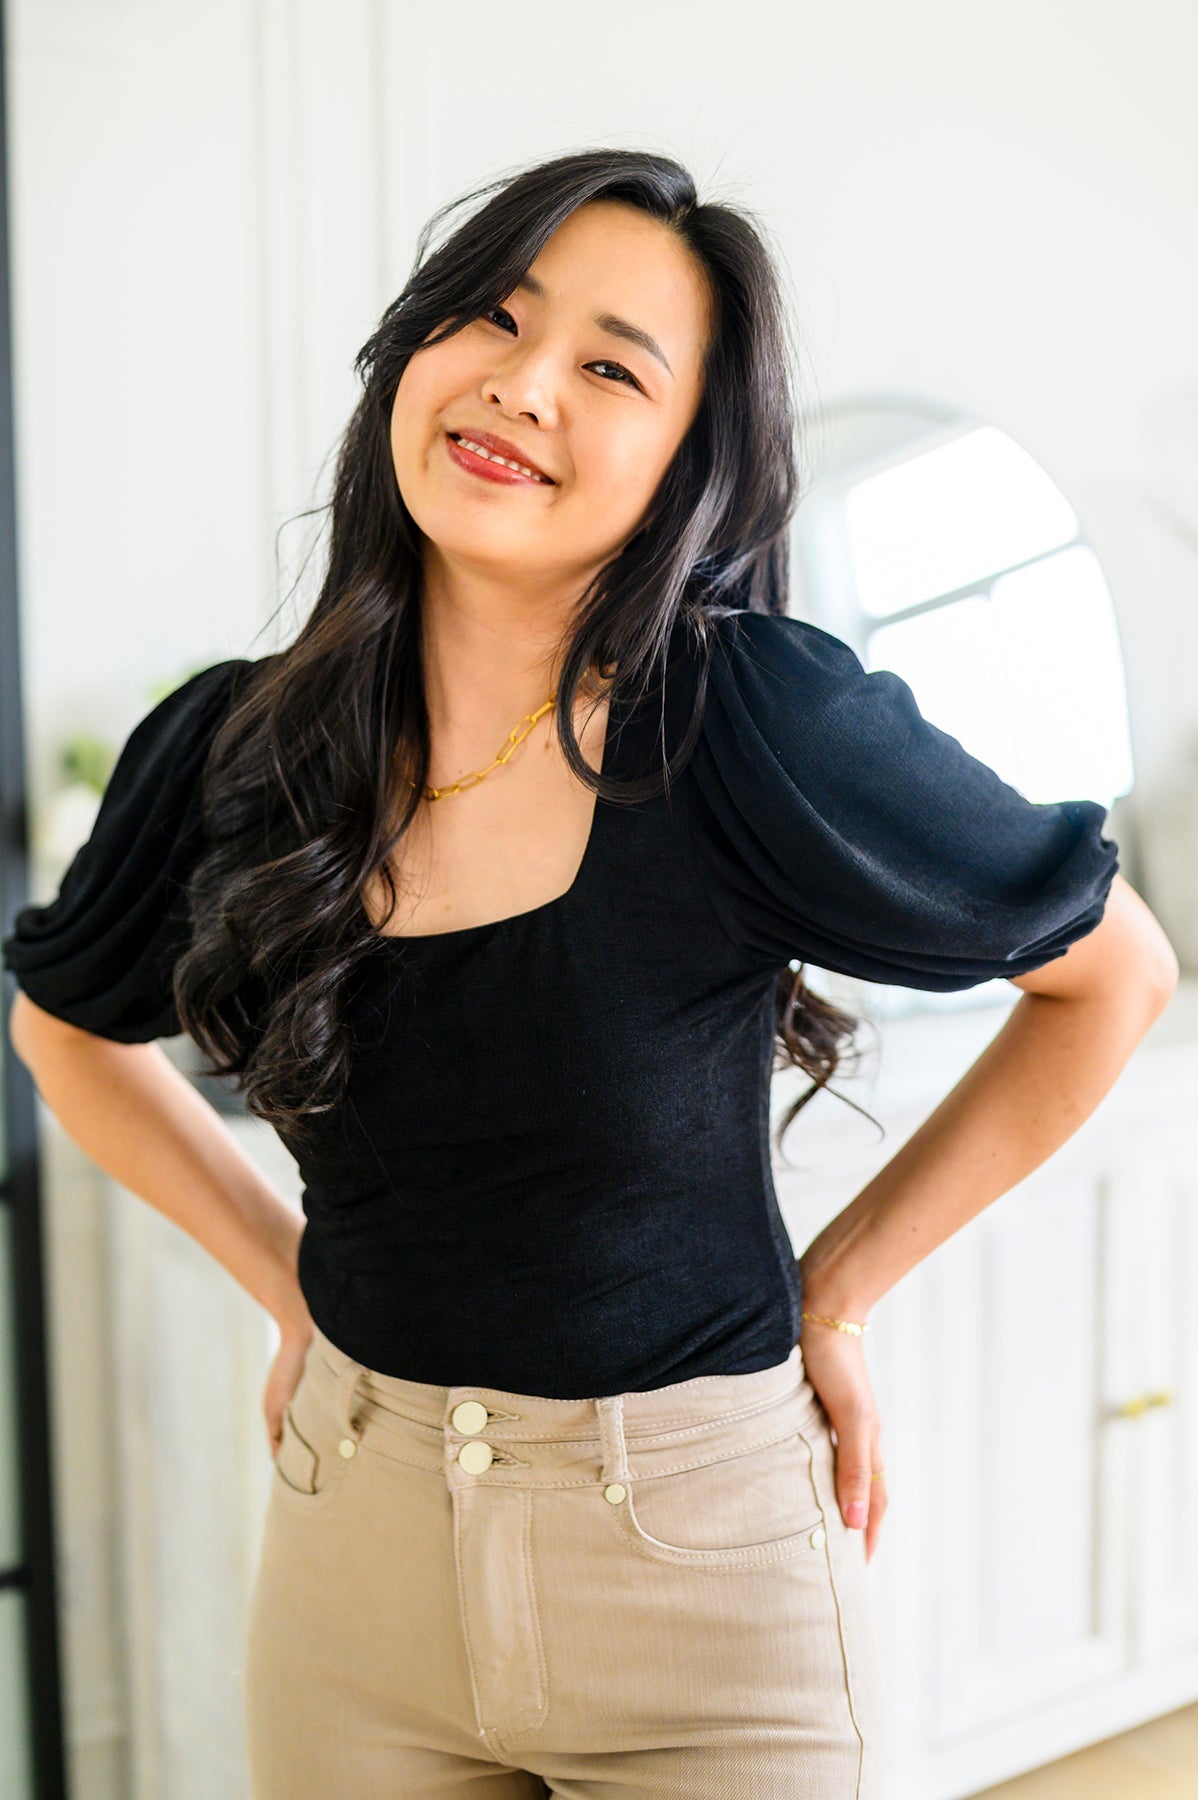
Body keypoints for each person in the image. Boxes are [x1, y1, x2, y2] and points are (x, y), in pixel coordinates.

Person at [2, 147, 1176, 1800]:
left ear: (685, 462)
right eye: (491, 315)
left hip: (701, 1580)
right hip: (351, 1562)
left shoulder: (745, 719)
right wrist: (285, 1278)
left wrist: (837, 1288)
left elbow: (1112, 977)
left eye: (611, 367)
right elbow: (64, 1032)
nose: (523, 382)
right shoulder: (231, 748)